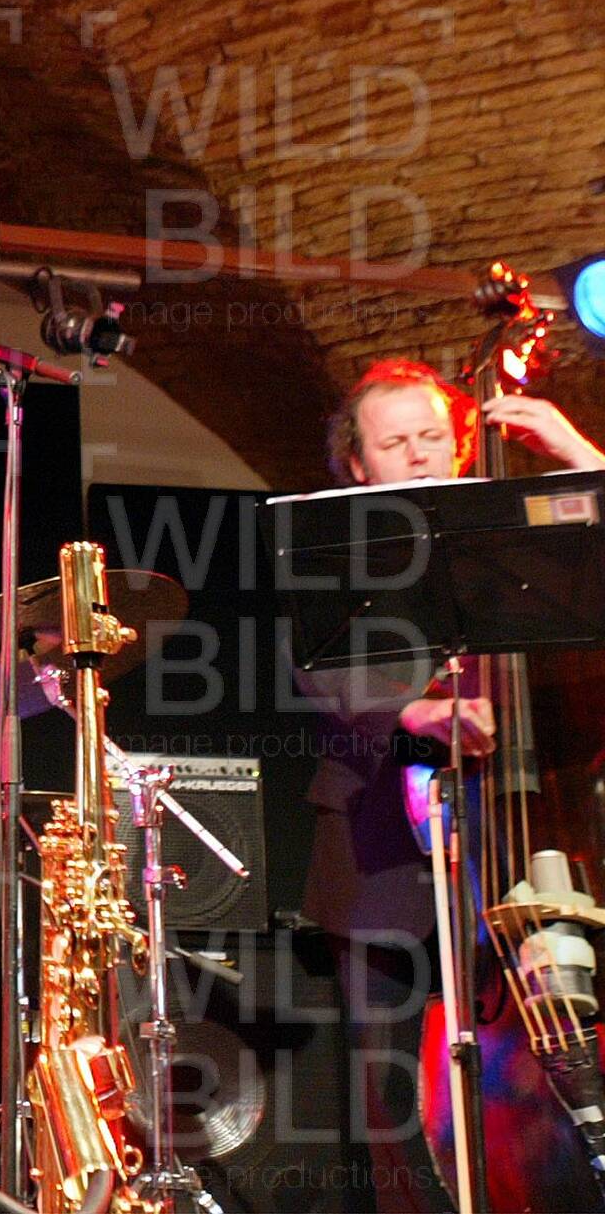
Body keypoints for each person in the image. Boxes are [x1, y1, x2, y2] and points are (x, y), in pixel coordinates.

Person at [302, 357, 604, 1211]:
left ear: (461, 444)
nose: (418, 453)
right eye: (394, 441)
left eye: (433, 435)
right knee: (394, 1096)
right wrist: (418, 712)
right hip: (380, 853)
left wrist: (578, 452)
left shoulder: (523, 537)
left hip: (523, 835)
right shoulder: (333, 550)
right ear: (358, 464)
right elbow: (317, 666)